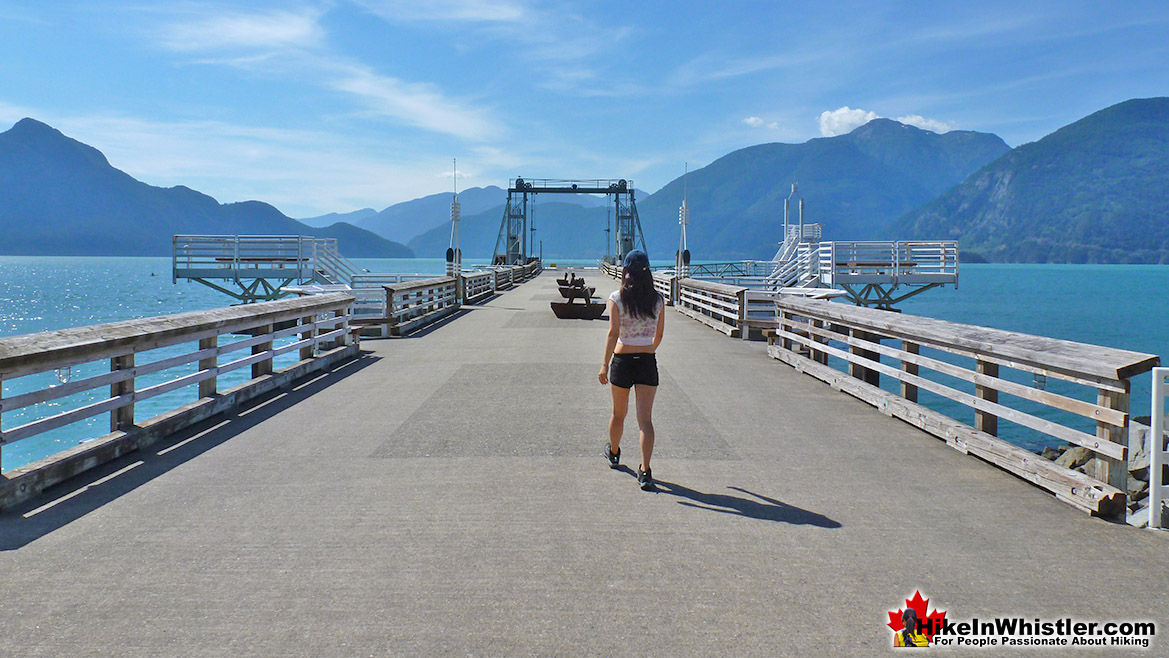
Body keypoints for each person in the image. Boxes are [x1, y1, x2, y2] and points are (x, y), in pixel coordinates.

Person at [598, 249, 665, 490]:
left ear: (625, 271)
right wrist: (648, 349)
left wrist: (605, 364)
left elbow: (613, 333)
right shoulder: (658, 300)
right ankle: (645, 471)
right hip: (647, 361)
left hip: (622, 361)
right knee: (645, 420)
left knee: (618, 414)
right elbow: (659, 334)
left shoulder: (616, 298)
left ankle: (614, 453)